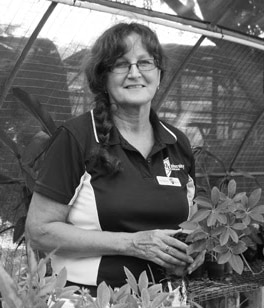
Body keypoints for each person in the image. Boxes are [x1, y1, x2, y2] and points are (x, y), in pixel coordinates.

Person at [26, 22, 196, 294]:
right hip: (90, 301)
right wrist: (131, 243)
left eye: (145, 62)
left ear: (159, 73)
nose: (134, 73)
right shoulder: (77, 137)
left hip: (166, 300)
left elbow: (188, 225)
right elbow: (39, 231)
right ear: (102, 77)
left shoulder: (177, 143)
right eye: (121, 64)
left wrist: (190, 255)